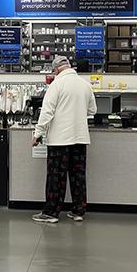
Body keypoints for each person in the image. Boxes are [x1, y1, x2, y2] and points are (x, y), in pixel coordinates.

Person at [31, 55, 96, 224]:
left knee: (56, 176)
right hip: (80, 138)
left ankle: (51, 213)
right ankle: (78, 211)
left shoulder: (56, 85)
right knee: (78, 175)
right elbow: (92, 111)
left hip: (59, 139)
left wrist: (37, 133)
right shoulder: (85, 84)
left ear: (57, 69)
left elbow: (46, 112)